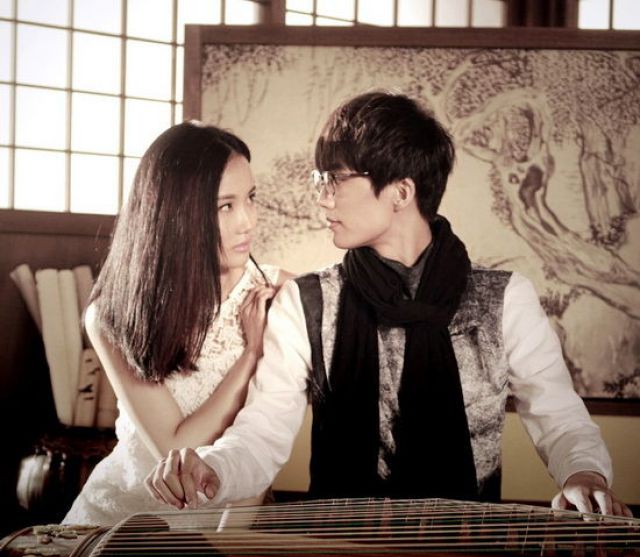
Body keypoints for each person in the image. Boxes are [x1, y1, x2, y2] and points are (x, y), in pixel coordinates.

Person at [145, 91, 631, 518]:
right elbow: (262, 431)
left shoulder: (504, 298)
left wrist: (584, 476)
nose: (323, 199)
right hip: (340, 549)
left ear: (401, 191)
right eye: (320, 180)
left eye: (335, 180)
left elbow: (557, 414)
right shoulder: (307, 301)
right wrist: (215, 468)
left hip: (469, 547)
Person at [63, 121, 291, 526]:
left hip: (228, 517)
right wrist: (251, 356)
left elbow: (265, 439)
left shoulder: (280, 294)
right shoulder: (114, 313)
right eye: (225, 206)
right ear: (178, 214)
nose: (248, 221)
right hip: (123, 519)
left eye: (251, 198)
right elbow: (174, 448)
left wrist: (229, 543)